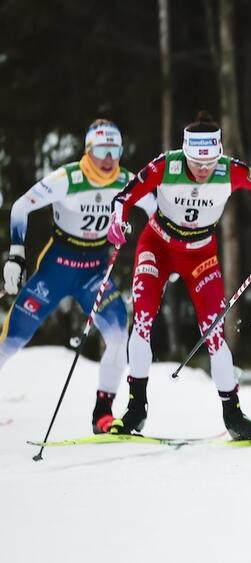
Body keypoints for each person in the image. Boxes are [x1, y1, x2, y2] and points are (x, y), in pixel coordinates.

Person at [106, 112, 251, 440]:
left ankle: (233, 415)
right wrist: (117, 220)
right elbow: (124, 197)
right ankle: (136, 408)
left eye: (209, 162)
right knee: (142, 320)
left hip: (200, 254)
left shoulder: (230, 170)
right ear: (185, 153)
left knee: (214, 331)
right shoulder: (166, 165)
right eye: (196, 162)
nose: (203, 169)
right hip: (157, 245)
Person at [1, 120, 155, 433]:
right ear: (88, 150)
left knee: (118, 335)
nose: (108, 159)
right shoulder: (68, 178)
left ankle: (103, 413)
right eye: (101, 150)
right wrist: (16, 255)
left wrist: (160, 256)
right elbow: (20, 207)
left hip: (95, 271)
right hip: (57, 267)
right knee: (13, 339)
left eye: (115, 150)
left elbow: (156, 214)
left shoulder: (126, 181)